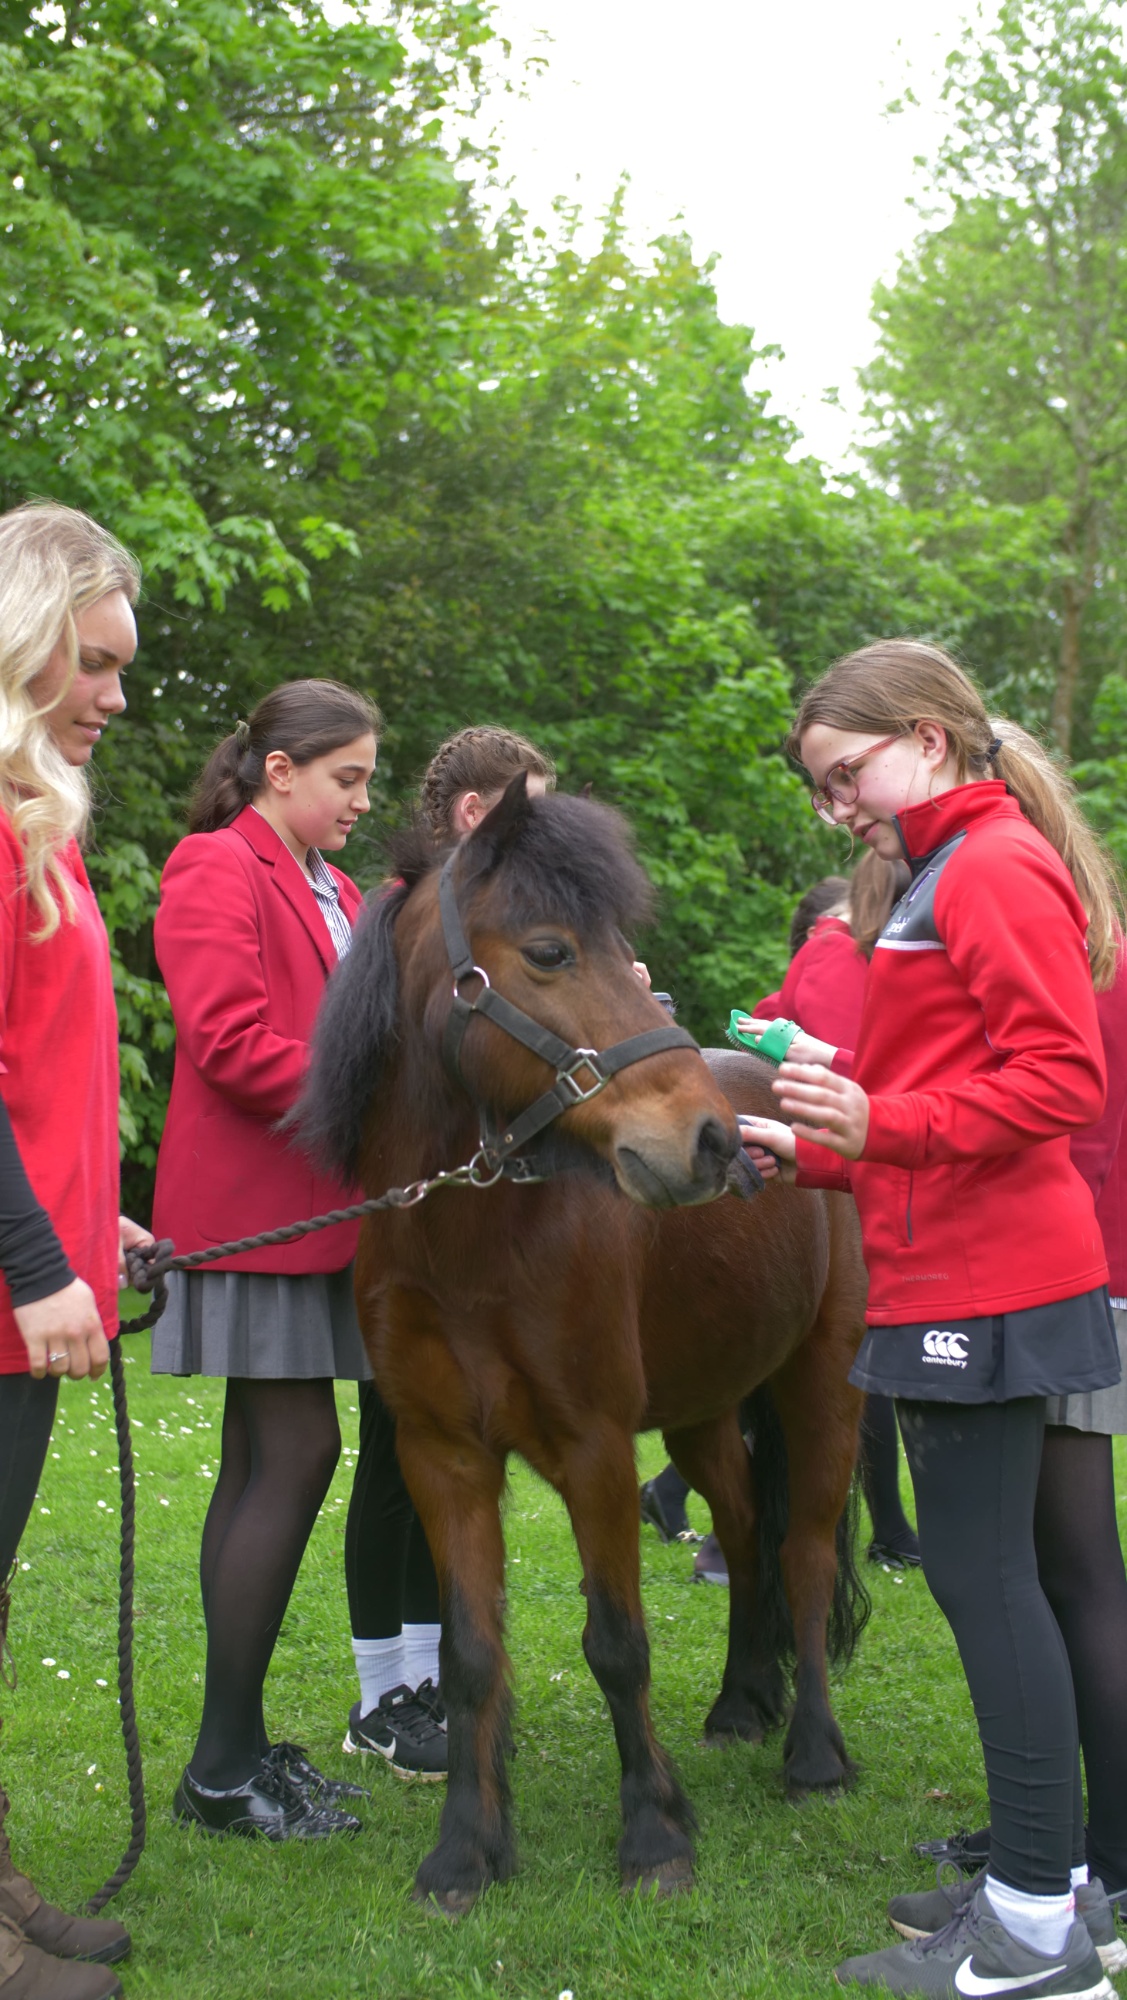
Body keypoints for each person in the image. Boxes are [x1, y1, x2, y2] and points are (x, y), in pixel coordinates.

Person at [741, 639, 1123, 2000]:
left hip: (993, 1282)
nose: (835, 805)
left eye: (842, 775)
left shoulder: (992, 864)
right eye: (822, 788)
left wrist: (877, 1122)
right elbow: (941, 1097)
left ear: (922, 737)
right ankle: (1047, 1884)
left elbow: (1058, 1079)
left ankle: (1033, 1935)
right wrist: (817, 1152)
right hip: (947, 1270)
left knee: (985, 1580)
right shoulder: (941, 870)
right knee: (996, 1576)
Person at [151, 679, 379, 1841]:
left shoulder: (333, 885)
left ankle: (228, 1753)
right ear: (279, 769)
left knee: (267, 1455)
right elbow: (232, 1040)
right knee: (293, 1449)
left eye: (367, 781)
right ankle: (222, 1764)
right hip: (257, 1214)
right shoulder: (214, 865)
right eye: (344, 778)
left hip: (317, 1211)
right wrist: (380, 1093)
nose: (359, 800)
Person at [0, 501, 157, 1998]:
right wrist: (34, 1264)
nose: (115, 696)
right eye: (95, 663)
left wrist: (77, 1212)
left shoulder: (25, 814)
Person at [340, 724, 555, 1780]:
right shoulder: (406, 913)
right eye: (531, 809)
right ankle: (383, 1688)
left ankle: (427, 1674)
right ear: (477, 813)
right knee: (392, 1455)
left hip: (464, 1233)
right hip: (408, 1234)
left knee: (433, 1456)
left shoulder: (481, 918)